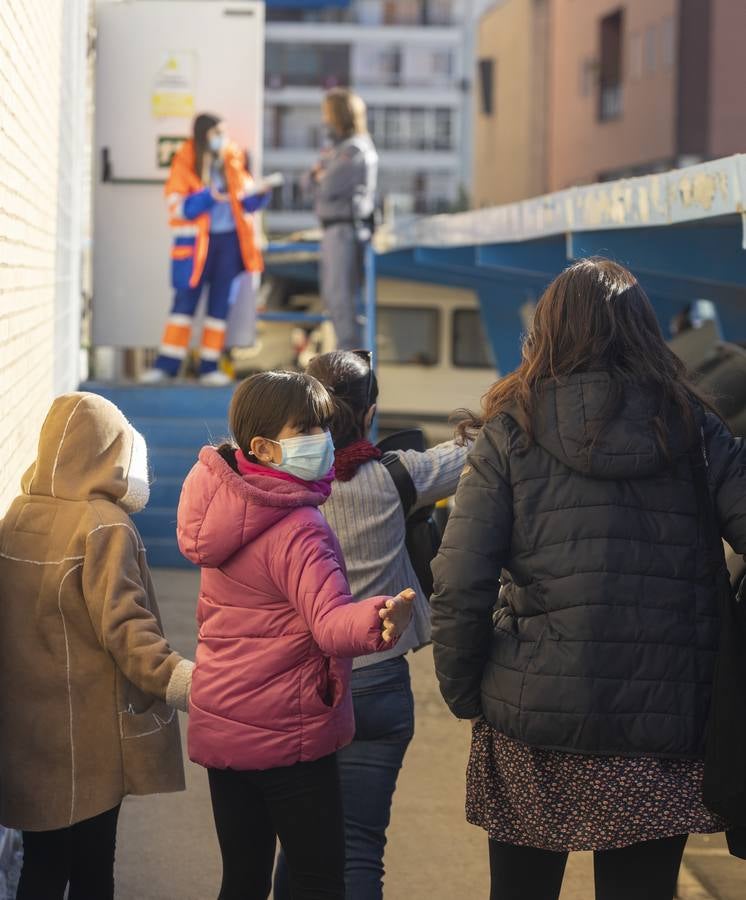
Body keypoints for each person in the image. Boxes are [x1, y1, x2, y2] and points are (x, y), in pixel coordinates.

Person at [430, 257, 746, 900]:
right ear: (643, 330)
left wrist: (466, 690)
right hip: (666, 723)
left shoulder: (510, 430)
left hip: (531, 719)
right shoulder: (697, 428)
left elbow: (461, 581)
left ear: (550, 329)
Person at [176, 370, 415, 900]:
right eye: (306, 428)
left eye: (324, 427)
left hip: (224, 727)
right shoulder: (298, 526)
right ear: (264, 447)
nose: (324, 441)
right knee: (318, 879)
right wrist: (380, 618)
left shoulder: (222, 511)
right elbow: (330, 626)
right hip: (288, 731)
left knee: (242, 878)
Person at [273, 350, 469, 898]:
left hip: (300, 685)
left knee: (300, 846)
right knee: (360, 849)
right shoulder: (397, 478)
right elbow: (473, 451)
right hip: (380, 684)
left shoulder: (277, 485)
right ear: (370, 413)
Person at [0, 392, 193, 900]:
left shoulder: (17, 515)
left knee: (40, 865)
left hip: (26, 731)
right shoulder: (104, 525)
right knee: (91, 867)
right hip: (87, 734)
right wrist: (182, 680)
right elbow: (127, 629)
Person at [141, 113, 272, 386]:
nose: (222, 138)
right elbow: (179, 206)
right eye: (217, 133)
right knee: (183, 305)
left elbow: (246, 203)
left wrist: (262, 193)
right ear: (204, 135)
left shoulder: (232, 158)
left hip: (229, 245)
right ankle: (166, 366)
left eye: (223, 132)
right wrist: (208, 196)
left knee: (219, 308)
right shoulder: (185, 159)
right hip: (196, 246)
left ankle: (209, 367)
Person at [306, 89, 378, 350]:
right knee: (334, 299)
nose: (324, 119)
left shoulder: (354, 149)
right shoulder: (336, 149)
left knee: (342, 300)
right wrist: (317, 177)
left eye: (328, 112)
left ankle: (351, 366)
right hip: (333, 232)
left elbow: (327, 186)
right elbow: (309, 182)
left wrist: (318, 177)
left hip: (345, 231)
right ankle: (346, 358)